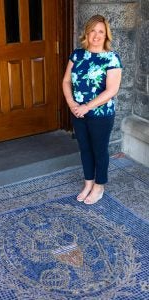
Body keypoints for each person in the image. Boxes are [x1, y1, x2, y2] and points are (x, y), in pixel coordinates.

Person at [62, 14, 122, 205]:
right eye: (92, 31)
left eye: (101, 32)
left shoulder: (111, 58)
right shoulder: (77, 55)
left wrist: (87, 106)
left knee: (99, 150)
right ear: (86, 33)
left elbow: (112, 90)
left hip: (100, 114)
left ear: (106, 35)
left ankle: (99, 186)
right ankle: (88, 183)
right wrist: (72, 104)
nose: (96, 35)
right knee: (84, 149)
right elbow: (66, 81)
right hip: (78, 112)